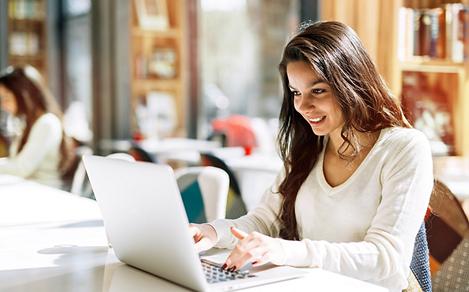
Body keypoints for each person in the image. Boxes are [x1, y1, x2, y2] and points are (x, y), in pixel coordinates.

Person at [189, 21, 433, 292]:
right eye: (296, 92)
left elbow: (387, 262)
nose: (303, 106)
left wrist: (287, 251)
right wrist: (212, 232)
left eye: (317, 90)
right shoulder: (308, 149)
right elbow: (264, 221)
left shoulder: (404, 148)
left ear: (350, 83)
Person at [0, 65, 73, 188]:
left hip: (43, 193)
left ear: (24, 95)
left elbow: (22, 168)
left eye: (6, 98)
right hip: (28, 188)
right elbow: (16, 163)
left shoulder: (47, 123)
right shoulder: (29, 123)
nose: (3, 105)